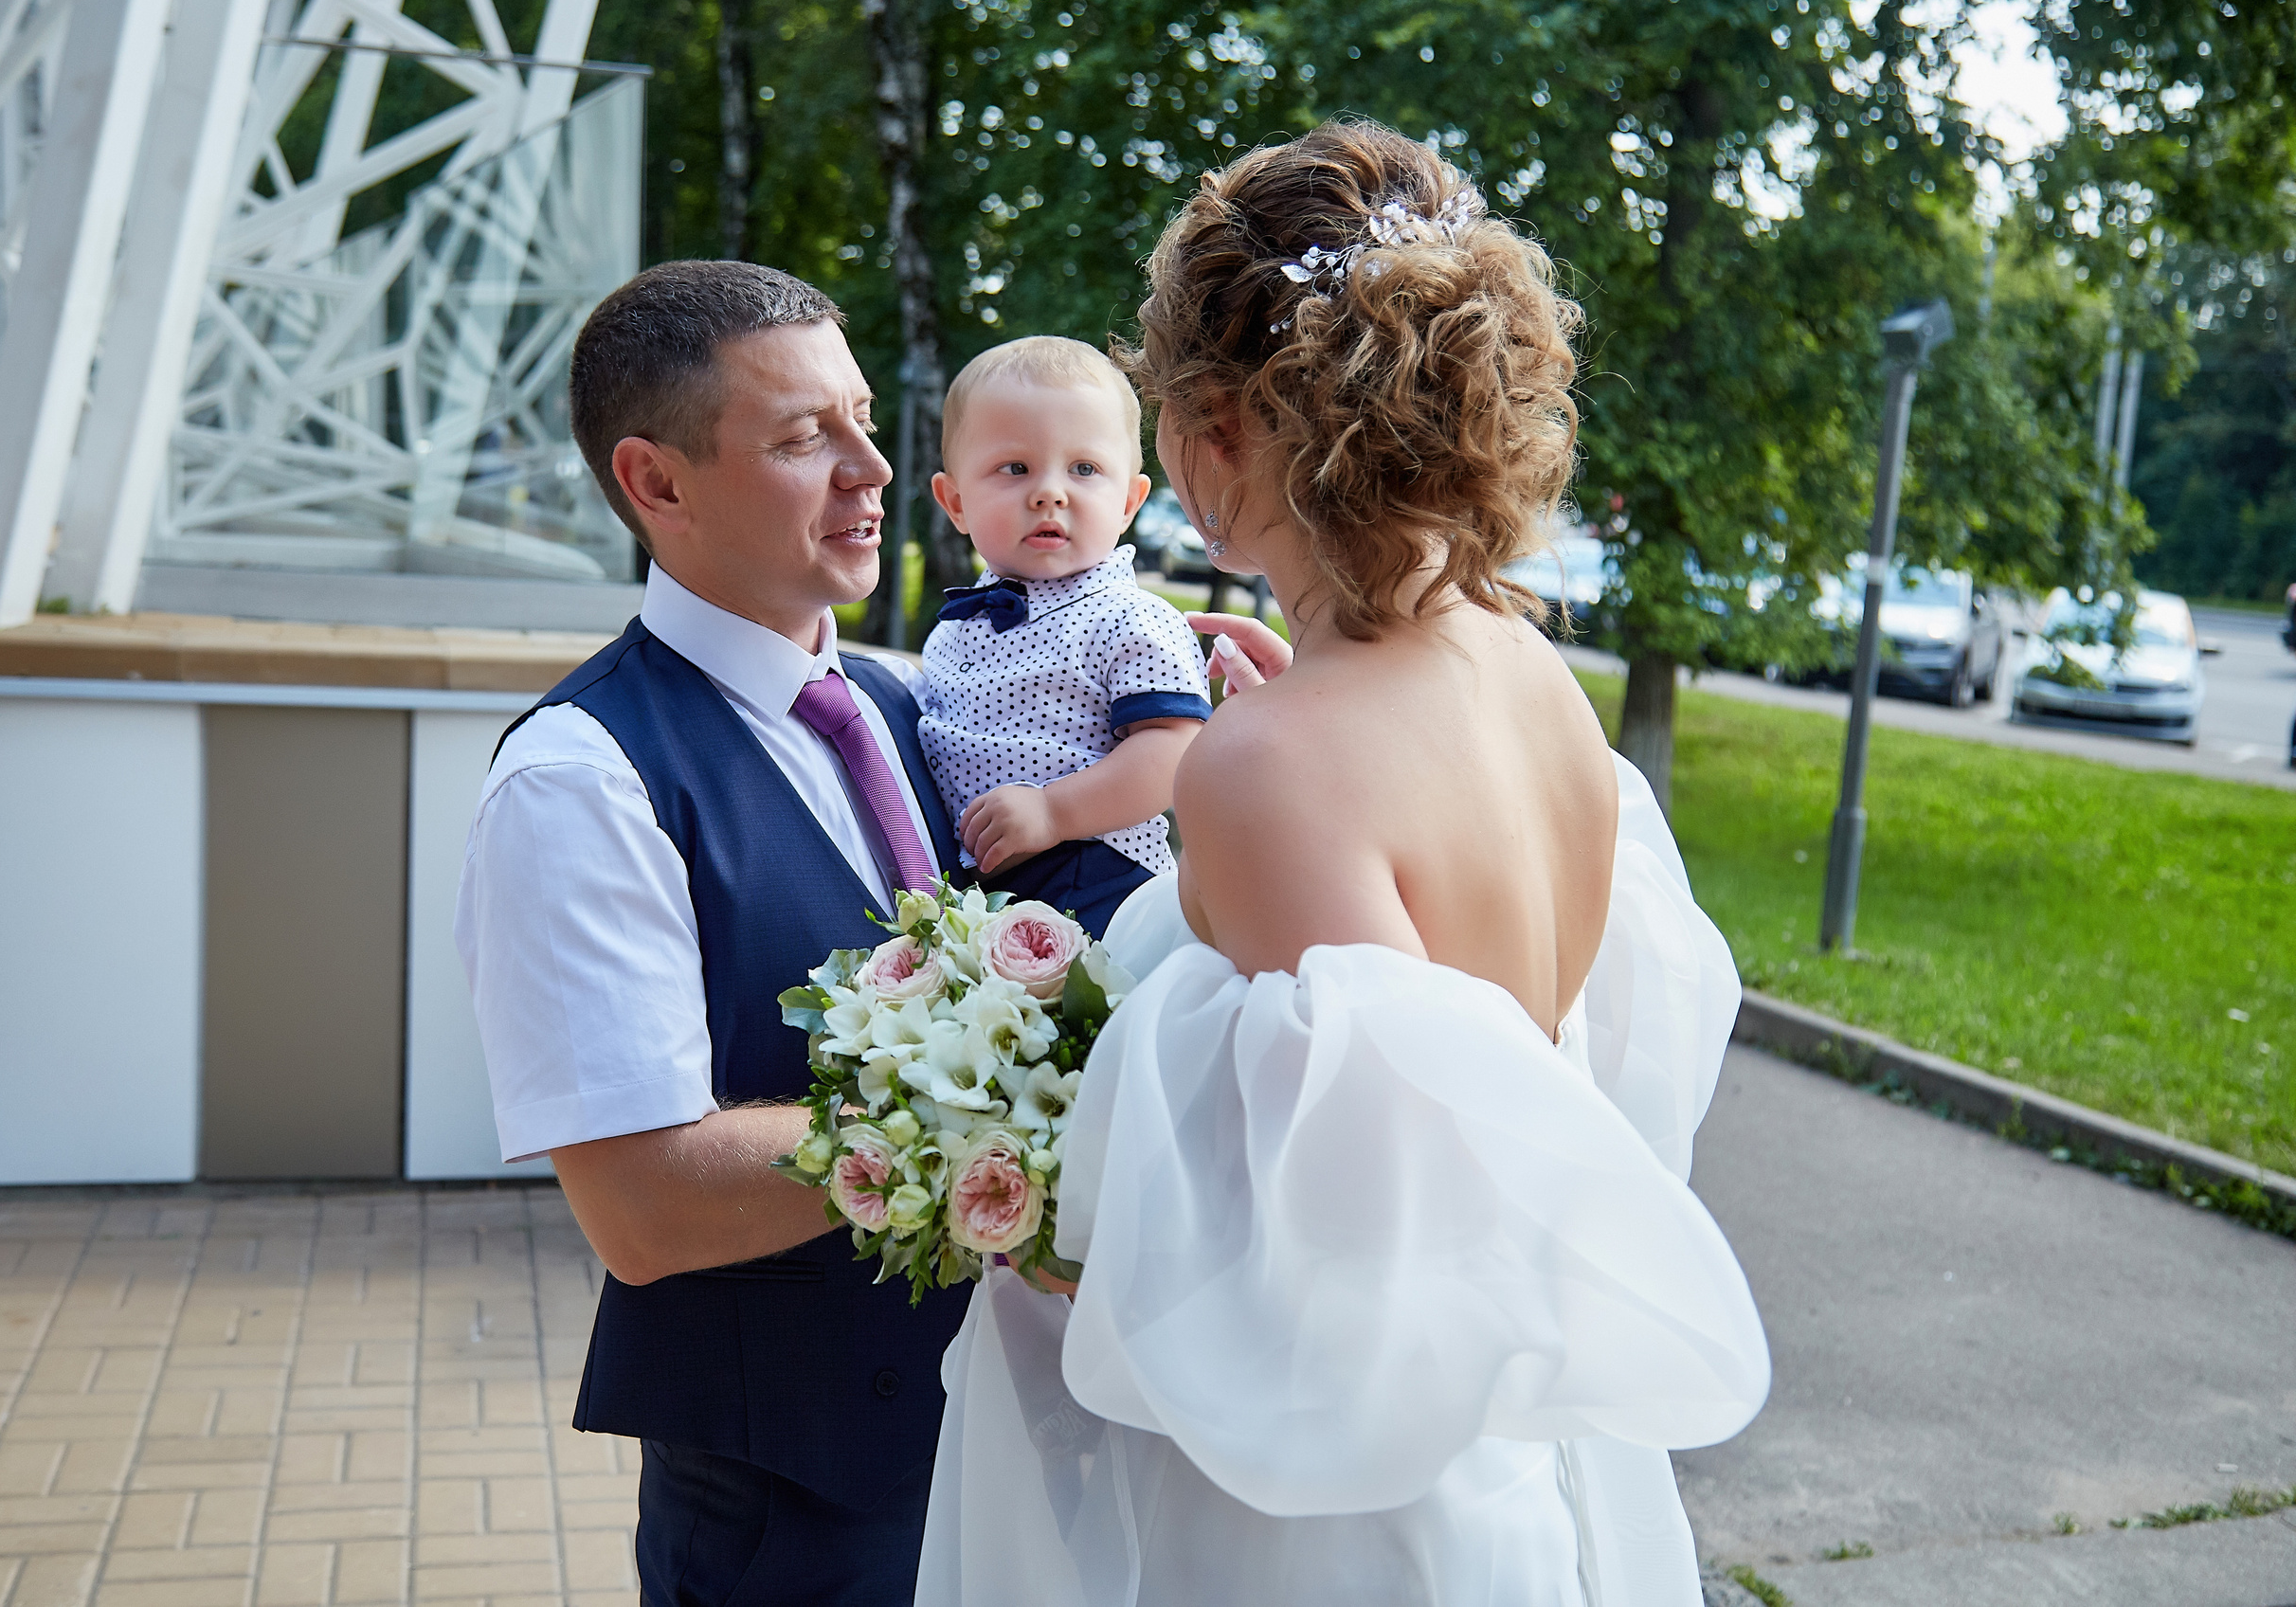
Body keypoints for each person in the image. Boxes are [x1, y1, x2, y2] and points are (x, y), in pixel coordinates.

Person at [913, 122, 1771, 1606]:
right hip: (1514, 1477)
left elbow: (1317, 1272)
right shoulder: (1533, 678)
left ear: (1209, 435)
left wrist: (1032, 1213)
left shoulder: (1267, 764)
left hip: (1331, 1529)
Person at [456, 261, 972, 1607]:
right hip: (797, 1521)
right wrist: (1004, 1121)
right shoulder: (583, 774)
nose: (873, 468)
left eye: (863, 419)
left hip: (986, 1457)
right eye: (806, 437)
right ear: (658, 483)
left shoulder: (905, 704)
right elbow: (647, 1198)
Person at [920, 335, 1211, 935]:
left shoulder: (1129, 617)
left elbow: (1174, 752)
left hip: (1097, 870)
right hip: (981, 890)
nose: (1050, 491)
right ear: (956, 503)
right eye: (1015, 468)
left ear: (1129, 501)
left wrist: (1056, 810)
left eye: (1084, 468)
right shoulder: (958, 625)